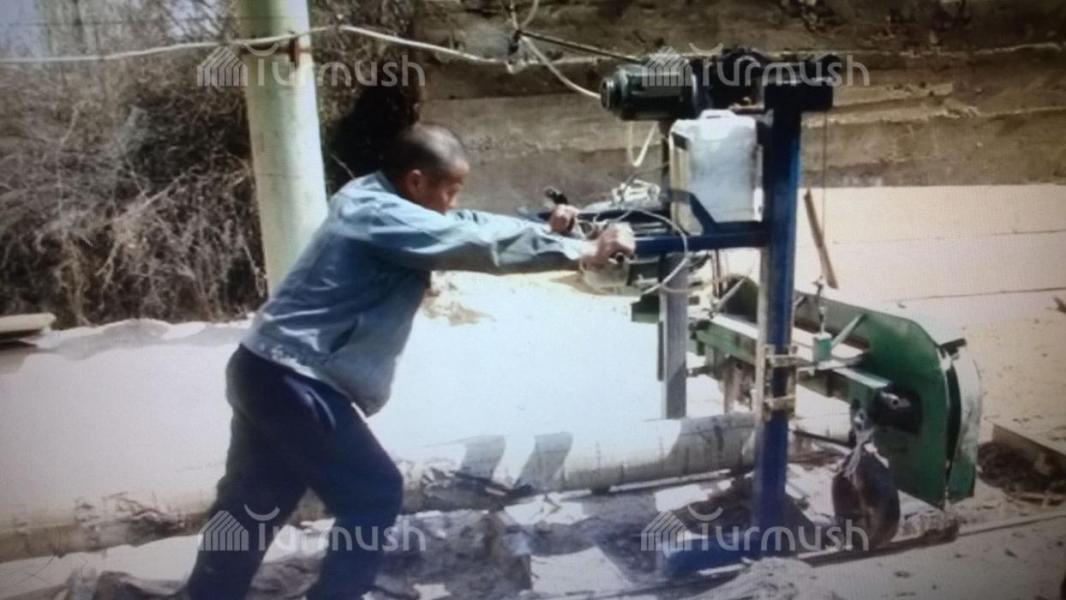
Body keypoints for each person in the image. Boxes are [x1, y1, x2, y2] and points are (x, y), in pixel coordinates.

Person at [185, 123, 635, 599]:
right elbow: (470, 243)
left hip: (263, 368)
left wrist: (542, 231)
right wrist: (583, 250)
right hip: (295, 379)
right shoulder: (378, 216)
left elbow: (469, 224)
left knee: (252, 501)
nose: (454, 202)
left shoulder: (377, 199)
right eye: (450, 190)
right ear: (416, 181)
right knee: (373, 493)